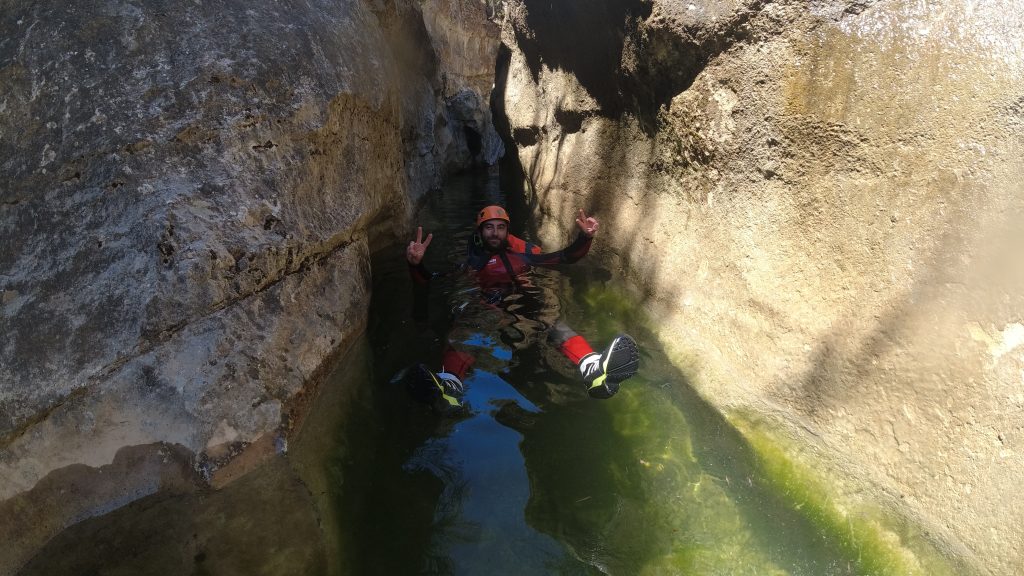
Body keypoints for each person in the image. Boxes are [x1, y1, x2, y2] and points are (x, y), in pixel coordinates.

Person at [402, 205, 639, 413]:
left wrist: (584, 239)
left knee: (550, 320)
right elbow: (429, 280)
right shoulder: (470, 265)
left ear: (507, 231)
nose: (495, 232)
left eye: (500, 227)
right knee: (465, 329)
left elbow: (565, 257)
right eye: (489, 227)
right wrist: (416, 265)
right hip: (486, 304)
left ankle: (593, 369)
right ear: (480, 232)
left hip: (522, 300)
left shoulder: (522, 257)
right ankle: (449, 388)